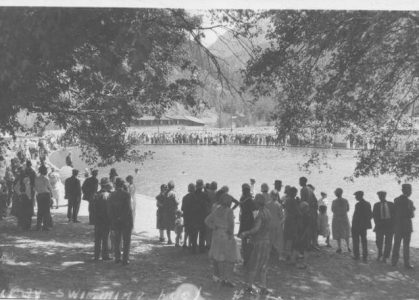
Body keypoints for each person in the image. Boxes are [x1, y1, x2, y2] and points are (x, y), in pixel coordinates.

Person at [205, 193, 240, 287]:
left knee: (218, 257)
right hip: (225, 235)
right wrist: (231, 235)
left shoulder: (216, 210)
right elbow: (232, 225)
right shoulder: (229, 211)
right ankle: (226, 279)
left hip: (216, 235)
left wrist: (214, 227)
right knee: (228, 259)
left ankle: (219, 277)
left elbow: (207, 220)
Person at [240, 194, 272, 296]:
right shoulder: (268, 212)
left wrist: (246, 233)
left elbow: (256, 229)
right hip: (267, 242)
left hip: (259, 242)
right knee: (263, 266)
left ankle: (249, 286)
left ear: (258, 203)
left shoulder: (260, 214)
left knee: (253, 265)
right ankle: (264, 287)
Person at [109, 178, 133, 265]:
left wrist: (115, 219)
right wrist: (122, 217)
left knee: (117, 240)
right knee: (126, 240)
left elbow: (110, 209)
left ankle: (117, 258)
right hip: (126, 221)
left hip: (116, 220)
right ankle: (125, 259)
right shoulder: (126, 194)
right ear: (122, 185)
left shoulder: (112, 195)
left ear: (115, 184)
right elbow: (128, 209)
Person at [391, 184, 416, 269]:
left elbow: (393, 213)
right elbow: (411, 215)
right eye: (410, 190)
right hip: (407, 226)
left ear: (402, 191)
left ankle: (394, 262)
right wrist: (412, 210)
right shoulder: (410, 202)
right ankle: (406, 263)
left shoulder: (396, 200)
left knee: (396, 244)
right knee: (406, 245)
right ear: (407, 191)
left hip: (398, 226)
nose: (411, 192)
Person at [262, 183, 284, 262]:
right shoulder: (279, 205)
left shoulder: (267, 204)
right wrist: (281, 223)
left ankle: (267, 255)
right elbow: (281, 216)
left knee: (269, 240)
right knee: (278, 240)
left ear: (271, 196)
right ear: (277, 196)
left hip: (269, 224)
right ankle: (279, 256)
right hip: (277, 224)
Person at [93, 177, 112, 261]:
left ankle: (96, 255)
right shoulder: (108, 195)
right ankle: (105, 255)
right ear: (107, 185)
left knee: (97, 238)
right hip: (105, 219)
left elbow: (92, 208)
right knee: (105, 238)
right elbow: (109, 209)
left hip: (97, 219)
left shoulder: (96, 194)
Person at [372, 191, 394, 263]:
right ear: (378, 197)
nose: (381, 197)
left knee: (388, 242)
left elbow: (394, 215)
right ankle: (380, 253)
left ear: (385, 196)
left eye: (382, 196)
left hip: (389, 225)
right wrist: (377, 223)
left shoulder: (391, 204)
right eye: (380, 196)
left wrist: (393, 224)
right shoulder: (376, 205)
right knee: (378, 241)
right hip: (379, 225)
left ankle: (385, 256)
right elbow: (374, 216)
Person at [238, 183, 256, 267]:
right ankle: (248, 257)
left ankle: (244, 256)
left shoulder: (242, 198)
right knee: (250, 237)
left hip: (243, 219)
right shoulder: (249, 199)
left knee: (243, 239)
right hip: (249, 219)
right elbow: (254, 208)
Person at [351, 191, 372, 262]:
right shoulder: (368, 204)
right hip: (364, 226)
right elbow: (370, 215)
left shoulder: (358, 204)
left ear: (359, 196)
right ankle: (365, 256)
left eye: (356, 196)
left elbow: (356, 216)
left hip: (356, 225)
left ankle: (357, 255)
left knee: (356, 241)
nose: (355, 197)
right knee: (364, 241)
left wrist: (353, 225)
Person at [299, 177, 319, 250]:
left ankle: (307, 245)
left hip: (307, 211)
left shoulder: (303, 189)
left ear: (303, 181)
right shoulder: (310, 189)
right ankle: (313, 244)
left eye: (300, 181)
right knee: (313, 228)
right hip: (312, 211)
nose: (299, 182)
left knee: (306, 228)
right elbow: (315, 200)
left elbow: (303, 201)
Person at [331, 188, 351, 253]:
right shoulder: (345, 200)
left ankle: (339, 247)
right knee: (346, 232)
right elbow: (348, 209)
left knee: (337, 232)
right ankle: (348, 246)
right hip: (344, 217)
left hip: (336, 217)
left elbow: (332, 210)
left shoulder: (334, 201)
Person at [34, 165, 53, 231]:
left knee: (40, 211)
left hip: (39, 195)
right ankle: (45, 226)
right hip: (46, 195)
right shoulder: (46, 178)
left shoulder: (36, 179)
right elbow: (50, 188)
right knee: (46, 211)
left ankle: (38, 226)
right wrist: (52, 195)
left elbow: (35, 188)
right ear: (44, 171)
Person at [161, 181, 179, 245]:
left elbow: (163, 202)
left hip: (166, 211)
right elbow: (176, 202)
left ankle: (169, 239)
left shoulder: (165, 193)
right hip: (173, 211)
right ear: (173, 187)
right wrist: (178, 202)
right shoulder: (173, 193)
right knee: (176, 225)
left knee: (168, 226)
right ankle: (178, 240)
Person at [195, 179, 210, 249]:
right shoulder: (204, 194)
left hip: (195, 214)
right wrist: (205, 188)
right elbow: (209, 200)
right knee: (202, 232)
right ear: (202, 186)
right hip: (203, 214)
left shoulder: (194, 193)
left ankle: (194, 247)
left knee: (195, 232)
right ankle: (201, 247)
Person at [181, 183, 196, 248]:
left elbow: (182, 208)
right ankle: (190, 244)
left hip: (186, 216)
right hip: (193, 216)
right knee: (192, 230)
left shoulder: (185, 197)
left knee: (186, 230)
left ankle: (184, 243)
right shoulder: (196, 197)